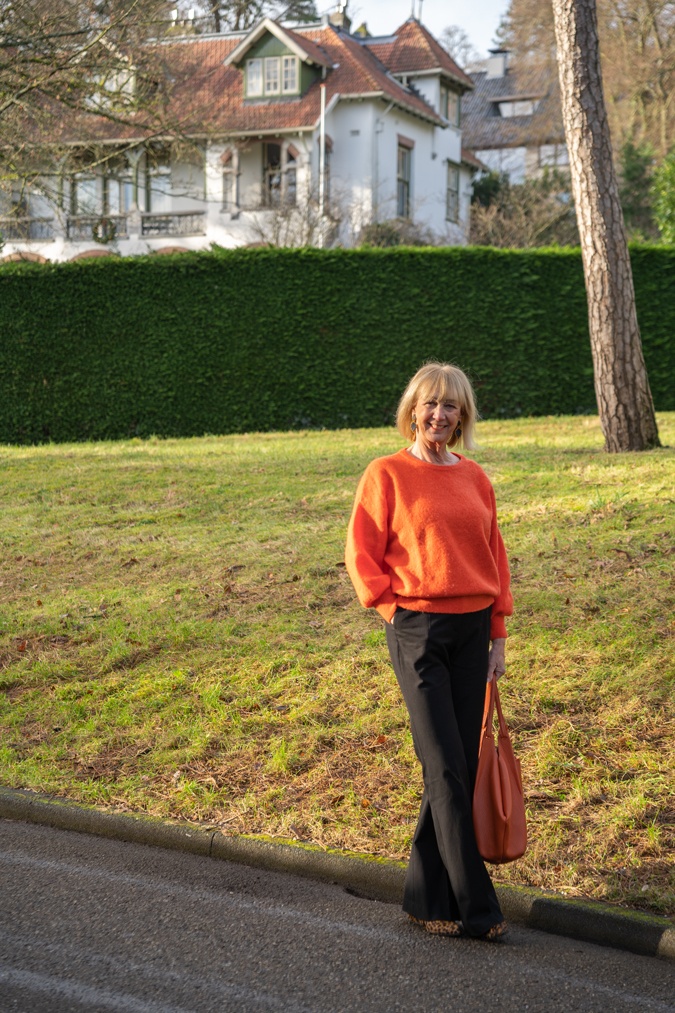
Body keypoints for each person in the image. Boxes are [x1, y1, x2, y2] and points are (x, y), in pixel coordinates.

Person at [345, 362, 512, 941]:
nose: (440, 416)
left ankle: (425, 894)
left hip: (472, 633)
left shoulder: (473, 476)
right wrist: (393, 611)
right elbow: (361, 552)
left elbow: (495, 556)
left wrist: (497, 636)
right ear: (412, 409)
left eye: (452, 408)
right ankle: (477, 906)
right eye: (431, 405)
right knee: (443, 765)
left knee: (457, 767)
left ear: (463, 416)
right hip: (417, 629)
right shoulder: (385, 473)